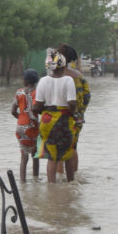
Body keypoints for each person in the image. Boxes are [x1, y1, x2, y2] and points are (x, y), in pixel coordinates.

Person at [33, 51, 77, 183]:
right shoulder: (69, 80)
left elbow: (37, 106)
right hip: (64, 120)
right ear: (64, 66)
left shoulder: (43, 81)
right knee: (68, 154)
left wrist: (45, 112)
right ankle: (70, 184)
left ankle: (51, 186)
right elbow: (72, 103)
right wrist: (73, 113)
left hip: (47, 121)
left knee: (52, 156)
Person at [57, 43, 91, 173]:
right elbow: (87, 96)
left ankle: (59, 181)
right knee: (73, 147)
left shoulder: (54, 75)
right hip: (76, 118)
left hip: (57, 117)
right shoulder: (79, 76)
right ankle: (73, 179)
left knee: (59, 149)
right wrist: (79, 113)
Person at [11, 68, 40, 182]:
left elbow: (13, 111)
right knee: (35, 155)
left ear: (26, 80)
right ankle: (35, 179)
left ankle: (22, 182)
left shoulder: (19, 92)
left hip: (20, 127)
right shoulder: (37, 93)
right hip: (33, 127)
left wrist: (21, 118)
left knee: (24, 156)